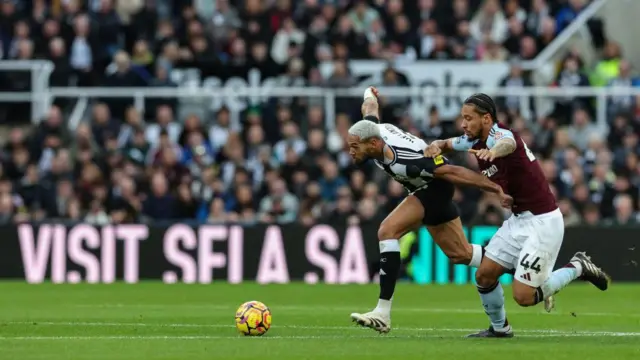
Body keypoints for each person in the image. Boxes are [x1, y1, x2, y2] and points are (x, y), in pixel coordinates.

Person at [424, 93, 610, 338]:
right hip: (518, 220)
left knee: (523, 296)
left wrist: (494, 153)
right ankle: (500, 329)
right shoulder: (471, 140)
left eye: (468, 119)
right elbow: (448, 143)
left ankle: (577, 267)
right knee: (484, 275)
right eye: (463, 118)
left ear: (486, 118)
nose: (463, 124)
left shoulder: (500, 135)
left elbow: (508, 144)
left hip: (543, 222)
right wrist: (436, 144)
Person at [348, 87, 513, 333]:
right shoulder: (371, 131)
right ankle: (525, 268)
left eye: (355, 147)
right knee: (461, 254)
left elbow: (453, 172)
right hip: (426, 189)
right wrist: (368, 93)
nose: (351, 151)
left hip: (434, 188)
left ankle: (382, 312)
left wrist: (495, 189)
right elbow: (370, 109)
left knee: (387, 231)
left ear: (372, 144)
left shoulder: (408, 160)